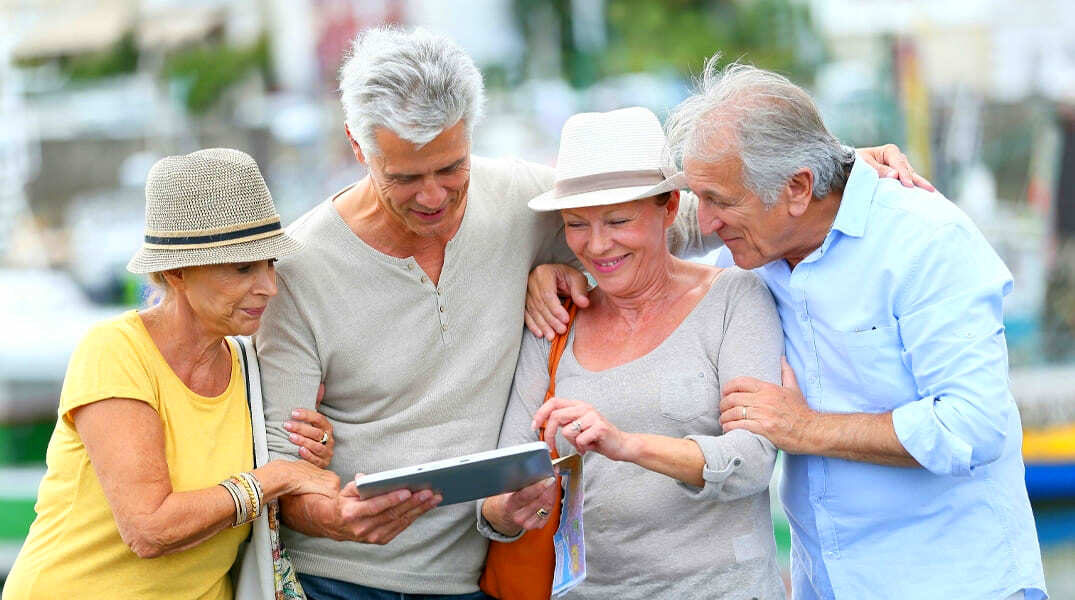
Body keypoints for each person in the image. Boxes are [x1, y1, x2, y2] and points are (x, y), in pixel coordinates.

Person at [253, 26, 923, 598]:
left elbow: (679, 219)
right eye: (404, 177)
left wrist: (837, 171)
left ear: (470, 138)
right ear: (356, 145)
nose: (433, 196)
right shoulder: (302, 267)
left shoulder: (517, 197)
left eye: (451, 168)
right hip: (347, 577)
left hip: (472, 576)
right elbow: (286, 466)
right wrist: (335, 517)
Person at [663, 59, 1048, 599]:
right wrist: (550, 269)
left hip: (958, 583)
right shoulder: (757, 240)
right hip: (824, 584)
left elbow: (973, 425)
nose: (704, 223)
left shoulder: (925, 242)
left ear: (798, 188)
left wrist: (804, 428)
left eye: (721, 202)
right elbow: (638, 232)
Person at [3, 149, 340, 600]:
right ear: (176, 271)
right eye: (243, 268)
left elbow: (287, 472)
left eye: (270, 264)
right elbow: (149, 529)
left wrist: (309, 449)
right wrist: (277, 476)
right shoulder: (115, 351)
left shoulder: (250, 366)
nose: (269, 286)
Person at [479, 107, 786, 599]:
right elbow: (506, 480)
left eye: (618, 220)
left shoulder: (734, 298)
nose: (597, 245)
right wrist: (504, 510)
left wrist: (625, 445)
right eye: (576, 224)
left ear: (669, 208)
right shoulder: (557, 321)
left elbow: (751, 462)